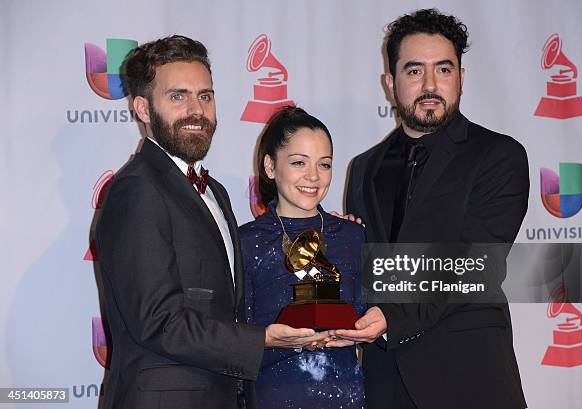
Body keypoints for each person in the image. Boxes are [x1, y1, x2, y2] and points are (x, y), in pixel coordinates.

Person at [95, 36, 328, 409]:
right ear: (142, 108)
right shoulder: (136, 191)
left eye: (205, 96)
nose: (196, 110)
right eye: (178, 96)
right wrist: (260, 339)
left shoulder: (213, 191)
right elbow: (158, 321)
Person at [332, 9, 529, 409]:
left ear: (460, 77)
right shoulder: (364, 167)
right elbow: (370, 269)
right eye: (413, 71)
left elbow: (477, 264)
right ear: (390, 83)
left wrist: (391, 315)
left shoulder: (497, 155)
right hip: (384, 381)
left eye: (443, 69)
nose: (430, 85)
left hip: (469, 377)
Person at [239, 106, 366, 409]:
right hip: (274, 397)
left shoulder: (353, 236)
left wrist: (366, 327)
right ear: (270, 167)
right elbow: (234, 336)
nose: (313, 176)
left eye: (324, 165)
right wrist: (268, 339)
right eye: (298, 162)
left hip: (346, 397)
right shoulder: (245, 241)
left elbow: (367, 315)